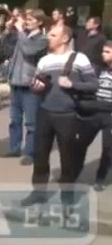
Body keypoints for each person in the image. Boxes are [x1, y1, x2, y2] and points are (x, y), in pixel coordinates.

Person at [22, 25, 98, 208]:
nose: (48, 37)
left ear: (64, 39)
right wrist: (35, 85)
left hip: (68, 116)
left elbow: (93, 84)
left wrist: (72, 84)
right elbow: (38, 88)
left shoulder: (80, 59)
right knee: (40, 156)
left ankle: (67, 196)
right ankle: (38, 193)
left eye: (53, 34)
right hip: (45, 113)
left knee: (67, 158)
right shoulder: (44, 60)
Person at [2, 9, 48, 165]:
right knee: (14, 120)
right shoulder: (22, 36)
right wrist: (9, 30)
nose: (26, 21)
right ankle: (14, 149)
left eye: (30, 19)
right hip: (15, 82)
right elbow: (6, 47)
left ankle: (30, 152)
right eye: (26, 19)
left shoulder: (42, 39)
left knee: (31, 122)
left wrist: (20, 31)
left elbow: (30, 50)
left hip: (29, 85)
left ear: (39, 22)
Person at [73, 40, 112, 191]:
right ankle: (72, 174)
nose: (103, 54)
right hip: (95, 112)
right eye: (103, 51)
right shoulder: (98, 69)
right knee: (81, 143)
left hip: (110, 116)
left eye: (107, 52)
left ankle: (100, 178)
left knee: (108, 149)